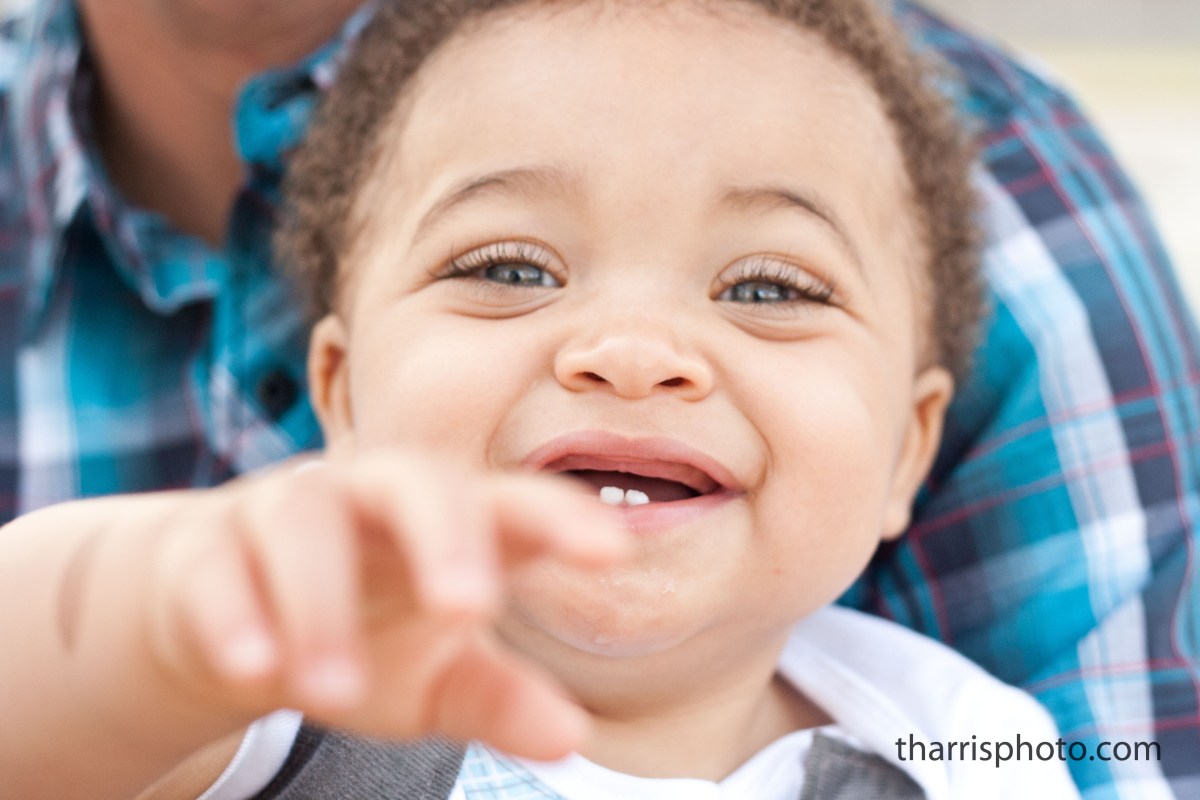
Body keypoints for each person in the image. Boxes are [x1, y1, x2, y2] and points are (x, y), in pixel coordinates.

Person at [0, 0, 1194, 797]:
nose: (632, 352)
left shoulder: (953, 739)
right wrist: (162, 609)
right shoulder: (288, 691)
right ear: (341, 393)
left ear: (908, 449)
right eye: (509, 268)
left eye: (771, 285)